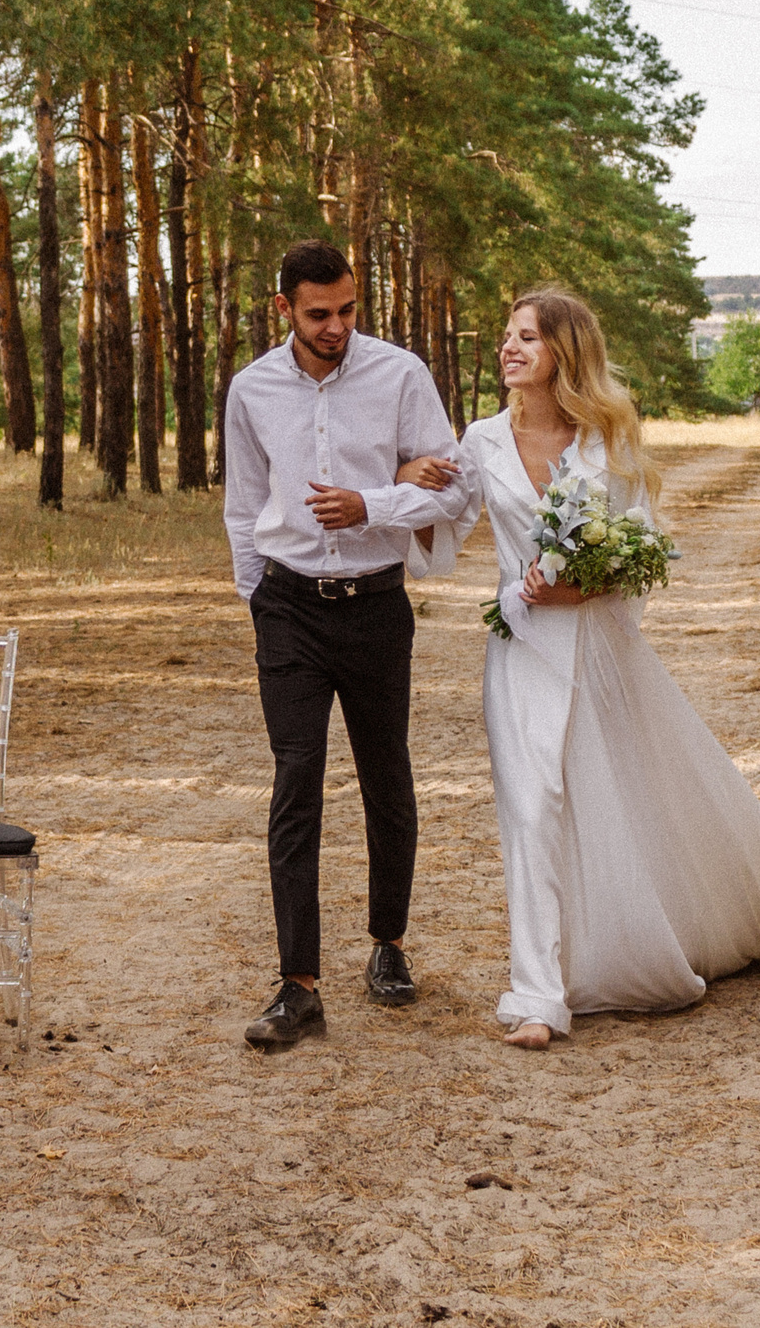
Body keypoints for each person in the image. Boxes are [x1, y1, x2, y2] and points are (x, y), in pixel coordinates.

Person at [404, 289, 760, 1047]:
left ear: (565, 352)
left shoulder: (605, 441)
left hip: (598, 647)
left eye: (527, 337)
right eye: (506, 335)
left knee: (620, 797)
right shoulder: (481, 440)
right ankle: (538, 994)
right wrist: (410, 490)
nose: (508, 348)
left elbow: (642, 552)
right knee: (530, 805)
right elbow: (441, 537)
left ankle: (685, 926)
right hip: (520, 648)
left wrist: (582, 583)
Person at [221, 239, 462, 1049]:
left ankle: (388, 943)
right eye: (319, 313)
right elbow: (243, 502)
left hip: (376, 605)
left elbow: (456, 482)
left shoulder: (399, 374)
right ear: (283, 306)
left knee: (386, 773)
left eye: (348, 310)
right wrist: (256, 596)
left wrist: (375, 505)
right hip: (288, 606)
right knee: (297, 781)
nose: (336, 327)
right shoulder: (251, 388)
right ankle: (298, 982)